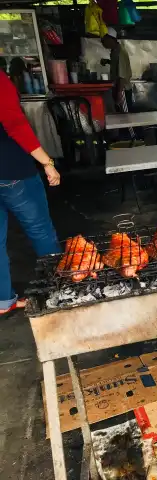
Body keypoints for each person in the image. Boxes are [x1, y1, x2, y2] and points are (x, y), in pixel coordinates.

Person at [0, 70, 61, 315]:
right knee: (40, 230)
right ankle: (61, 289)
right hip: (12, 170)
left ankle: (3, 301)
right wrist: (47, 162)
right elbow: (14, 123)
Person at [100, 27, 134, 117]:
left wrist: (119, 94)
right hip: (118, 88)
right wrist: (108, 61)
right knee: (120, 117)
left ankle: (129, 131)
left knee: (125, 118)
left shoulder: (120, 52)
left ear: (111, 39)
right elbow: (117, 65)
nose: (102, 42)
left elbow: (122, 75)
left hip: (122, 89)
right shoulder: (114, 51)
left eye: (104, 40)